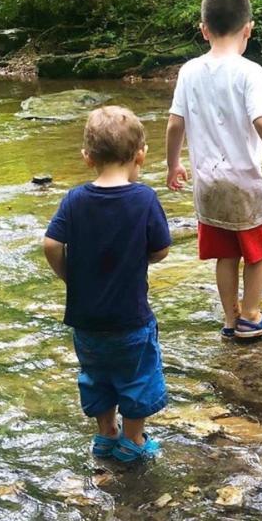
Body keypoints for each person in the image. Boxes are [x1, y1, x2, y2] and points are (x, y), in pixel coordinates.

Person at [166, 0, 262, 340]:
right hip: (243, 181)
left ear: (203, 29)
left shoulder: (189, 71)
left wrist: (172, 164)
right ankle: (252, 316)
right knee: (257, 252)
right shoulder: (249, 71)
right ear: (248, 29)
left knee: (226, 254)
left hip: (207, 183)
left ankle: (230, 319)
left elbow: (175, 122)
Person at [43, 106, 171, 462]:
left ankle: (105, 435)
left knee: (96, 376)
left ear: (87, 158)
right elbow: (160, 250)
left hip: (85, 320)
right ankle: (133, 440)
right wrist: (137, 259)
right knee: (138, 377)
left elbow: (51, 244)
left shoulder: (74, 199)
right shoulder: (144, 198)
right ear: (141, 155)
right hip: (130, 317)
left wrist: (71, 276)